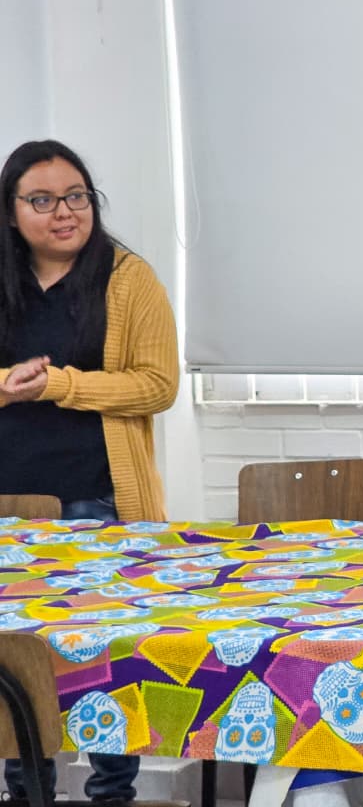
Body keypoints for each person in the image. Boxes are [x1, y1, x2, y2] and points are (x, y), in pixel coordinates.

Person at [1, 139, 179, 805]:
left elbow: (158, 384)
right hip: (11, 507)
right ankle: (27, 789)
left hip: (98, 501)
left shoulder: (129, 278)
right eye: (43, 200)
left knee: (108, 656)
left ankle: (112, 792)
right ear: (11, 210)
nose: (65, 212)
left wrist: (61, 385)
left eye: (76, 196)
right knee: (18, 658)